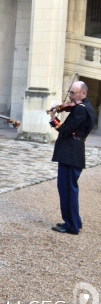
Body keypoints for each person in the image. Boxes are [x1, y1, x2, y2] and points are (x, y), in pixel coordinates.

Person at [49, 81, 96, 235]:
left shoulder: (80, 110)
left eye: (73, 93)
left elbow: (65, 130)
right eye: (70, 93)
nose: (70, 96)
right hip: (74, 152)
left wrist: (53, 118)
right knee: (70, 189)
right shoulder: (86, 108)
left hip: (70, 153)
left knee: (67, 190)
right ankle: (74, 221)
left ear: (83, 93)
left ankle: (71, 226)